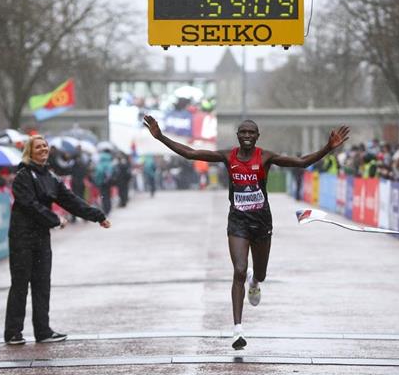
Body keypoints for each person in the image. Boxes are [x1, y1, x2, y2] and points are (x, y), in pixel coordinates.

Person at [143, 115, 349, 350]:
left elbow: (301, 162)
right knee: (238, 270)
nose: (248, 136)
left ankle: (255, 281)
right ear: (238, 136)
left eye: (252, 133)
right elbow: (191, 153)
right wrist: (160, 137)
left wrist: (327, 148)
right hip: (238, 222)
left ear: (257, 136)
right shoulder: (226, 156)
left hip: (262, 223)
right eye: (243, 132)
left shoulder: (266, 156)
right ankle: (237, 330)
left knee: (259, 273)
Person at [4, 135, 111, 345]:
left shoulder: (51, 177)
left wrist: (97, 216)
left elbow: (71, 201)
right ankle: (13, 332)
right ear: (29, 151)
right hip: (21, 238)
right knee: (20, 285)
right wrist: (54, 219)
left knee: (42, 284)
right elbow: (29, 204)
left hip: (41, 237)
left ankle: (43, 331)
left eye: (45, 146)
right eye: (38, 147)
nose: (43, 149)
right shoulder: (23, 176)